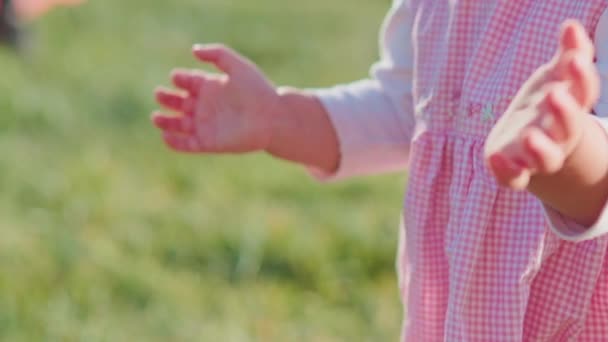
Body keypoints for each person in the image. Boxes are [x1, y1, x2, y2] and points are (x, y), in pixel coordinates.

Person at [151, 1, 608, 340]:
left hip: (572, 315)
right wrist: (280, 118)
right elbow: (410, 106)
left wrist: (563, 151)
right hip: (459, 307)